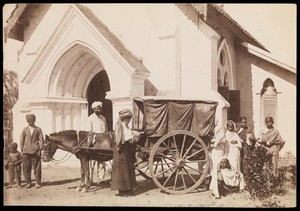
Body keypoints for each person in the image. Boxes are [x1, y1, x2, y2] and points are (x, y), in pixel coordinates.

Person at [111, 109, 143, 197]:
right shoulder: (119, 126)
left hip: (126, 150)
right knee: (122, 170)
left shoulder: (126, 126)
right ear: (124, 118)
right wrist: (134, 135)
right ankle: (122, 191)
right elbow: (122, 138)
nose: (129, 120)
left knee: (128, 169)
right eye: (128, 118)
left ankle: (128, 189)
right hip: (121, 151)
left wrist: (133, 133)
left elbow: (128, 133)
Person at [86, 101, 111, 184]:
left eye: (100, 108)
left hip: (103, 142)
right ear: (93, 109)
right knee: (92, 162)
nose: (99, 109)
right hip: (94, 141)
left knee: (102, 161)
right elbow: (89, 131)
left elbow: (106, 130)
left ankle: (101, 178)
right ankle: (90, 179)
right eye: (97, 108)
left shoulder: (103, 118)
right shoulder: (90, 119)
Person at [20, 114, 44, 189]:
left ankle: (38, 183)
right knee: (26, 168)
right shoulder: (24, 130)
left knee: (37, 167)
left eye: (31, 121)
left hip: (35, 151)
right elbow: (21, 139)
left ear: (34, 120)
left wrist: (40, 149)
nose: (30, 122)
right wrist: (22, 149)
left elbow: (41, 140)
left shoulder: (38, 129)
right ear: (27, 121)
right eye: (28, 121)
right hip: (26, 151)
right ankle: (28, 183)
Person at [209, 120, 228, 198]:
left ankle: (217, 191)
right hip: (216, 152)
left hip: (218, 152)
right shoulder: (217, 131)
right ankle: (215, 190)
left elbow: (216, 143)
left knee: (217, 170)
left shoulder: (220, 132)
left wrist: (213, 144)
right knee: (215, 170)